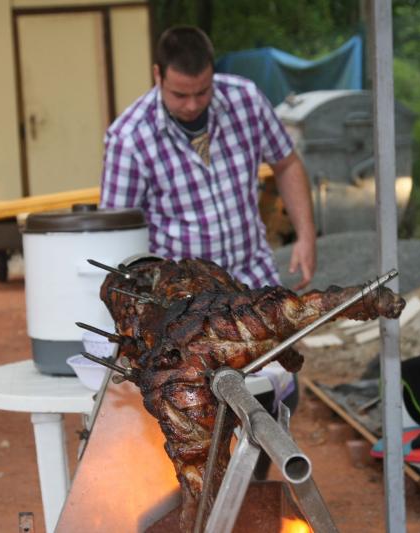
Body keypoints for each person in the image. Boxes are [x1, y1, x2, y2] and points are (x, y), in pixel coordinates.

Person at [99, 26, 317, 477]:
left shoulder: (245, 100)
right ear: (158, 75)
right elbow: (117, 236)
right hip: (186, 311)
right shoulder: (130, 137)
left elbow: (287, 162)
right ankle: (209, 497)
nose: (193, 104)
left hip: (252, 280)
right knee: (201, 413)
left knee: (276, 397)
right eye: (180, 94)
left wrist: (306, 234)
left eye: (202, 92)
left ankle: (251, 494)